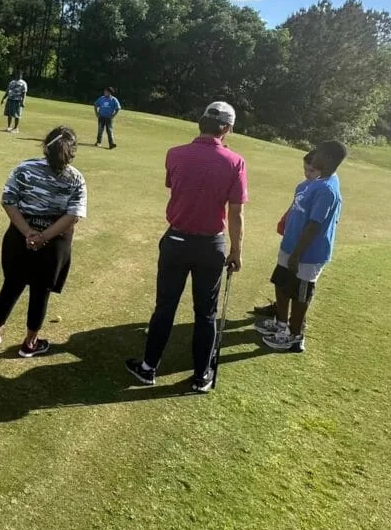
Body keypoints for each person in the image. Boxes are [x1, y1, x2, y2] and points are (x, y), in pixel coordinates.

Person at [126, 101, 247, 393]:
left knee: (165, 306)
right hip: (211, 246)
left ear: (201, 122)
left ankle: (148, 368)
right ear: (227, 128)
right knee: (205, 313)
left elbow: (175, 185)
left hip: (176, 241)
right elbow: (236, 213)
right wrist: (236, 251)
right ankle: (201, 375)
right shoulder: (235, 162)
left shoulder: (175, 153)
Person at [0, 126, 87, 359]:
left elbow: (8, 201)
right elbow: (73, 215)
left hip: (19, 237)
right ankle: (29, 344)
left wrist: (28, 232)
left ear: (45, 146)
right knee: (41, 292)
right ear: (72, 151)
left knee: (11, 286)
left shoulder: (24, 168)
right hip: (54, 243)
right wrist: (43, 237)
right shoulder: (76, 178)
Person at [256, 140, 347, 353]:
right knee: (281, 283)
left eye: (320, 153)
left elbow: (314, 226)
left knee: (300, 294)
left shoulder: (327, 189)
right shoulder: (314, 182)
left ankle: (295, 336)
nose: (314, 156)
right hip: (290, 245)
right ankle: (281, 324)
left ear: (329, 158)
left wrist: (297, 254)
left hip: (308, 254)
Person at [253, 151, 318, 318]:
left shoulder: (322, 191)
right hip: (290, 241)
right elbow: (295, 206)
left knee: (300, 286)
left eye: (311, 171)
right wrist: (285, 220)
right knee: (282, 279)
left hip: (306, 248)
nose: (307, 174)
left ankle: (297, 324)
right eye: (305, 169)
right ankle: (280, 312)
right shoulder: (302, 186)